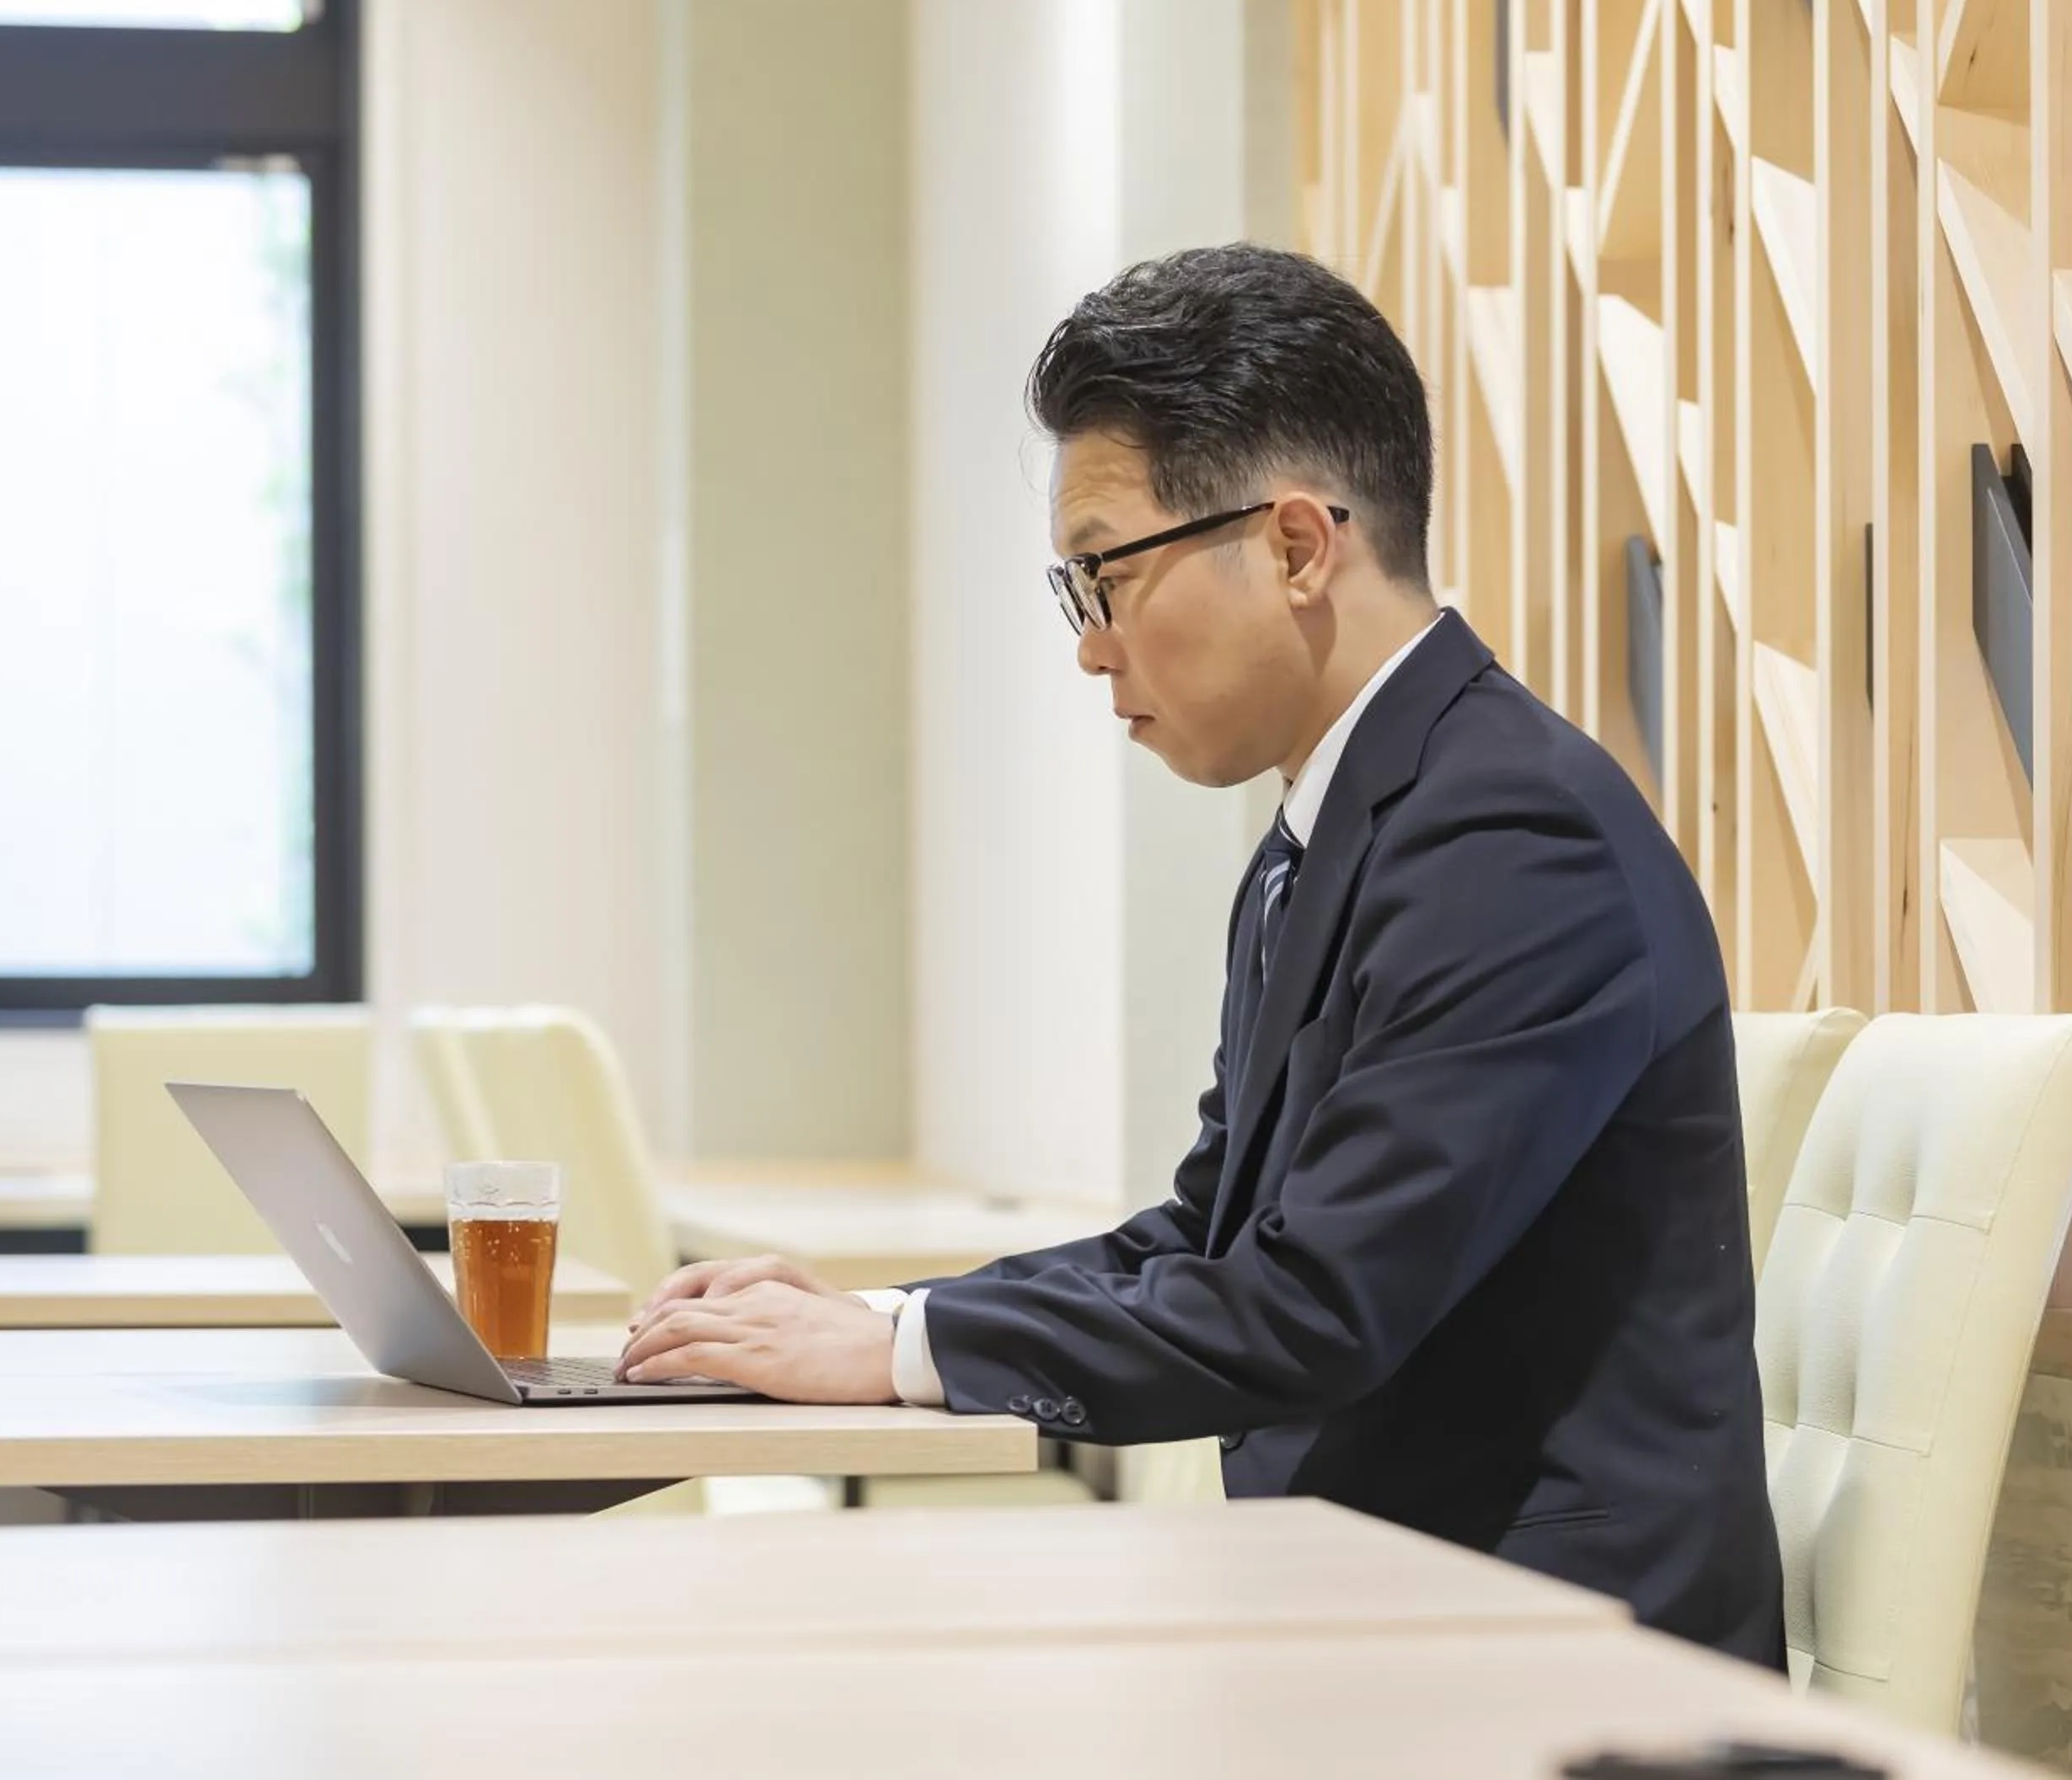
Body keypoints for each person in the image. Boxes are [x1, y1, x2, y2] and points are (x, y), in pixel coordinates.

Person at [619, 244, 1785, 1665]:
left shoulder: (1511, 834)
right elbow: (1212, 1236)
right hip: (1372, 1615)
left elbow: (1314, 1306)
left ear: (1296, 544)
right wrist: (891, 1319)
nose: (1092, 650)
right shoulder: (1343, 821)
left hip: (1551, 1661)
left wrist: (900, 1357)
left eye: (1104, 575)